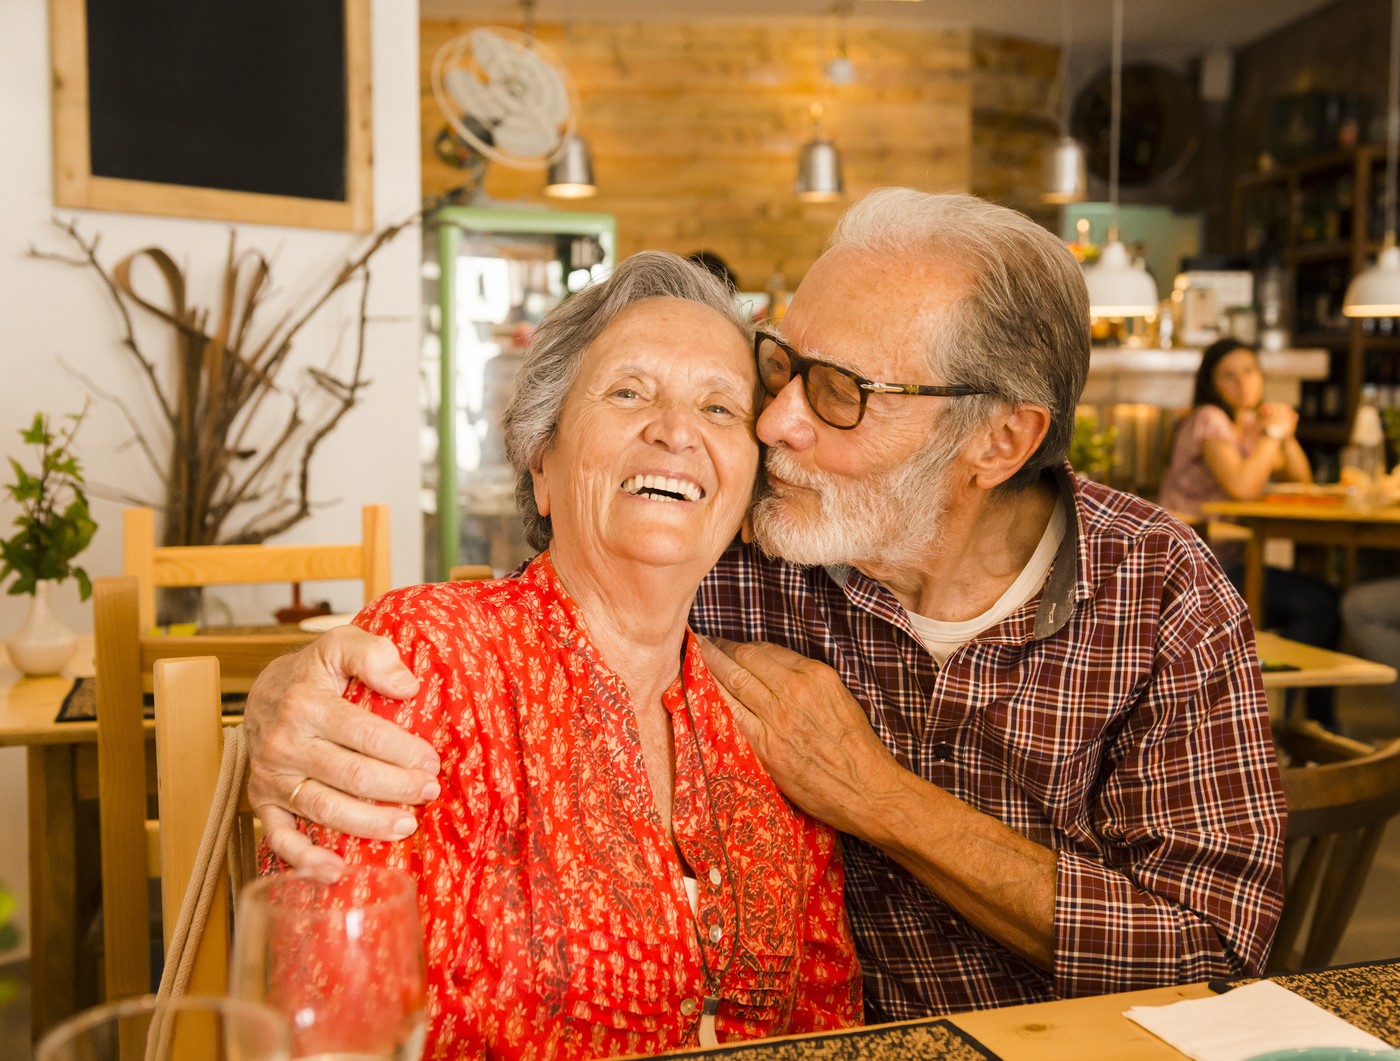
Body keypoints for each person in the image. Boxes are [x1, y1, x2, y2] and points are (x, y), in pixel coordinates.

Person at [245, 190, 1286, 1021]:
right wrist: (287, 688)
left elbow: (1213, 950)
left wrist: (874, 795)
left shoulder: (1158, 594)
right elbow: (558, 580)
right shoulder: (758, 533)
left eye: (836, 391)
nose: (776, 421)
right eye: (777, 368)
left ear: (997, 442)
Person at [263, 251, 862, 1058]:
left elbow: (832, 1025)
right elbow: (332, 1018)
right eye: (628, 392)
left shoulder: (768, 724)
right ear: (541, 461)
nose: (676, 430)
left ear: (749, 501)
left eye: (720, 408)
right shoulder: (429, 663)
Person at [1159, 337, 1341, 726]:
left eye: (1249, 372)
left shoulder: (1247, 427)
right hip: (1197, 569)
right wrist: (1272, 437)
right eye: (1229, 375)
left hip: (1230, 562)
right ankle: (1277, 720)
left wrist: (1284, 434)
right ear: (1212, 384)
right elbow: (1243, 485)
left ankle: (1308, 722)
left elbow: (1301, 481)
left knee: (1327, 598)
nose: (1243, 384)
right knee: (1319, 606)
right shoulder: (1209, 419)